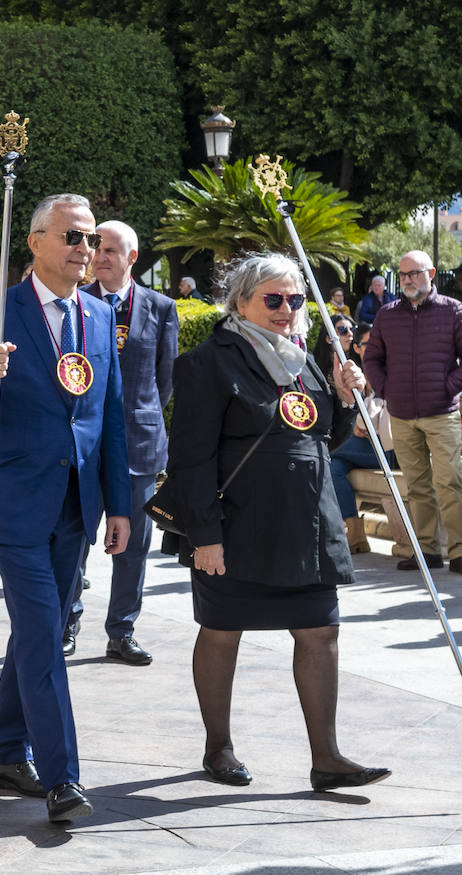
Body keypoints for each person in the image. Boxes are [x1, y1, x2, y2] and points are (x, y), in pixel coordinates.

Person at [161, 252, 389, 794]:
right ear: (240, 302)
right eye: (273, 299)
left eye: (294, 299)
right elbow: (191, 457)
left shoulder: (305, 360)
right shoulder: (207, 363)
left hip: (307, 525)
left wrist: (341, 394)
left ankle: (327, 757)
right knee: (222, 631)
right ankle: (218, 746)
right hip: (238, 526)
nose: (287, 310)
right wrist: (205, 537)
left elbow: (321, 442)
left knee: (321, 630)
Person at [0, 193, 129, 822]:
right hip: (11, 502)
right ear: (36, 241)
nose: (86, 251)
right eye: (73, 238)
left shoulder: (99, 317)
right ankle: (62, 778)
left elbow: (110, 418)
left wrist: (119, 505)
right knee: (46, 634)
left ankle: (5, 751)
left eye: (92, 240)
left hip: (77, 505)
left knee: (32, 631)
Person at [68, 219, 178, 665]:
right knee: (75, 539)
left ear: (132, 258)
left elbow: (164, 379)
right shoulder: (76, 302)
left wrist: (138, 416)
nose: (100, 255)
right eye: (97, 247)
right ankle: (66, 623)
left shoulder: (160, 307)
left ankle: (122, 630)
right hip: (85, 443)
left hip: (139, 444)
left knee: (133, 546)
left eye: (111, 249)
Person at [363, 250, 462, 573]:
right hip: (402, 414)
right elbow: (372, 359)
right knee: (417, 485)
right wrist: (387, 390)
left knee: (449, 482)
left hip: (441, 412)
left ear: (430, 273)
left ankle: (459, 552)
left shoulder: (453, 311)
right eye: (403, 275)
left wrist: (449, 386)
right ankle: (427, 552)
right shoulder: (387, 315)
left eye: (414, 273)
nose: (407, 280)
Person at [330, 322, 397, 553]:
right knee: (334, 467)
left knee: (329, 450)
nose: (374, 348)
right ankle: (356, 536)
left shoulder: (388, 369)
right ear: (357, 348)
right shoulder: (353, 371)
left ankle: (353, 535)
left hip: (390, 448)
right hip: (363, 447)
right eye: (368, 344)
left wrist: (359, 423)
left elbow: (369, 418)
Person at [312, 313, 355, 379]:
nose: (350, 334)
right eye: (342, 330)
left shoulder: (361, 361)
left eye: (352, 329)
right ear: (328, 338)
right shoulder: (315, 368)